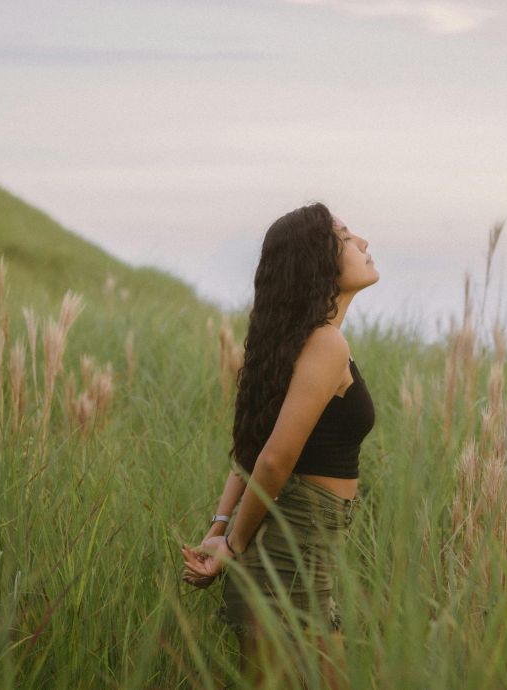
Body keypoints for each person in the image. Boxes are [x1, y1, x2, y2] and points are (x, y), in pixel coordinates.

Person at [181, 202, 379, 688]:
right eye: (347, 236)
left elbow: (251, 454)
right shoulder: (325, 346)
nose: (363, 243)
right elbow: (272, 459)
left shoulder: (304, 342)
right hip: (292, 547)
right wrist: (232, 542)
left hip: (295, 544)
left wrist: (223, 527)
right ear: (320, 262)